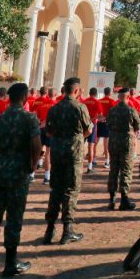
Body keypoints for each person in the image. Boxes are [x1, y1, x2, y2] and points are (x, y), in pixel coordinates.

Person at [0, 82, 41, 278]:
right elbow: (36, 145)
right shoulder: (29, 118)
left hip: (0, 169)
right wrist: (33, 164)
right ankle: (10, 263)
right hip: (18, 171)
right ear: (24, 98)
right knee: (14, 218)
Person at [43, 77, 92, 245]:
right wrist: (77, 138)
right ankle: (67, 230)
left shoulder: (54, 108)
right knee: (71, 189)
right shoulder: (80, 107)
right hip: (74, 153)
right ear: (76, 91)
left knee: (56, 189)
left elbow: (48, 132)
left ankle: (49, 229)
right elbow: (88, 130)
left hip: (57, 152)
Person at [106, 87, 140, 210]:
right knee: (126, 170)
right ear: (128, 97)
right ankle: (124, 200)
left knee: (113, 170)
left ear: (118, 97)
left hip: (113, 142)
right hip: (126, 143)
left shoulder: (112, 111)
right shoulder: (131, 110)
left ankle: (112, 200)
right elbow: (138, 126)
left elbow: (108, 124)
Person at [32, 88, 57, 184]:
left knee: (37, 152)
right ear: (55, 94)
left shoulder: (42, 104)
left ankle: (31, 175)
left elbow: (35, 115)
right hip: (51, 129)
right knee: (48, 153)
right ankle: (47, 177)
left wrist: (40, 123)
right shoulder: (56, 105)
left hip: (41, 129)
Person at [82, 87, 102, 172]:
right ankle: (89, 167)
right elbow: (100, 114)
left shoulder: (84, 101)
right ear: (96, 94)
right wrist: (93, 119)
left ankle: (79, 164)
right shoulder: (97, 102)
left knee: (81, 144)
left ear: (89, 93)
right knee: (91, 146)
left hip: (84, 124)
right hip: (92, 125)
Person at [97, 87, 115, 168]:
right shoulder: (112, 101)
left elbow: (97, 112)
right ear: (110, 93)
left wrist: (100, 118)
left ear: (104, 92)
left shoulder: (99, 101)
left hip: (99, 122)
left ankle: (93, 160)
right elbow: (113, 112)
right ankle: (107, 161)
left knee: (94, 142)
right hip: (107, 123)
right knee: (106, 142)